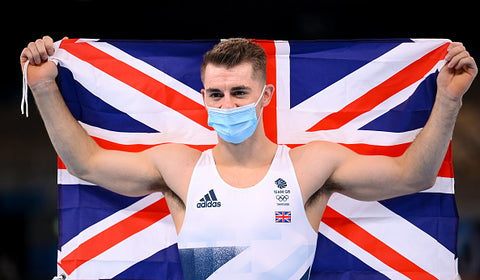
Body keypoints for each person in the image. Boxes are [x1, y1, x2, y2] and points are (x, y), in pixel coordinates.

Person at [20, 36, 477, 279]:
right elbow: (86, 164)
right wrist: (42, 86)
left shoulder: (309, 166)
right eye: (215, 95)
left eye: (240, 93)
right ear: (202, 97)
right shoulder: (178, 168)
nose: (227, 105)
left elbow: (413, 176)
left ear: (266, 95)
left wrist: (448, 99)